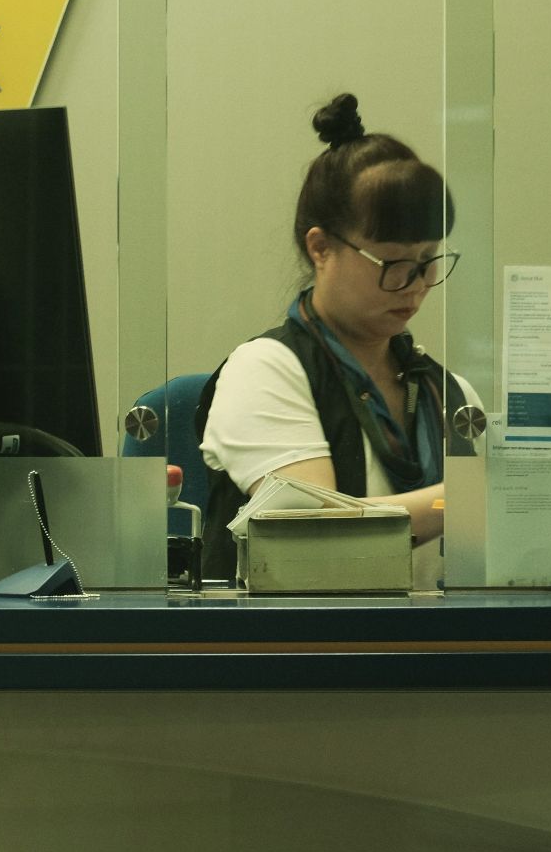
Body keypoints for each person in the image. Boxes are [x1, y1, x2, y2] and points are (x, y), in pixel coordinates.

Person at [195, 93, 482, 581]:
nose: (414, 286)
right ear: (321, 247)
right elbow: (317, 536)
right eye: (392, 264)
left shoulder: (447, 391)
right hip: (302, 644)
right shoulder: (265, 369)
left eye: (428, 261)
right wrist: (465, 499)